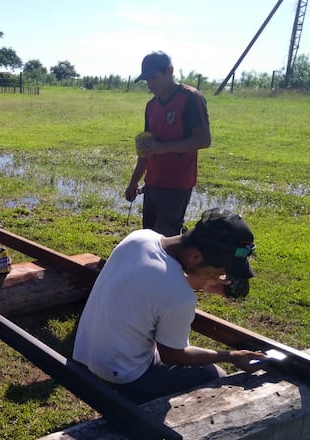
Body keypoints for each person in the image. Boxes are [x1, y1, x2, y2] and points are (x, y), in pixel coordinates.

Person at [72, 207, 266, 404]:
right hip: (121, 375)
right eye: (217, 271)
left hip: (86, 353)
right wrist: (231, 355)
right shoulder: (179, 297)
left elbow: (154, 280)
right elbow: (173, 355)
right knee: (214, 374)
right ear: (195, 257)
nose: (218, 278)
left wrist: (197, 281)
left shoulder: (140, 238)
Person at [124, 51, 212, 236]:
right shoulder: (151, 106)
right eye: (147, 80)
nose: (150, 85)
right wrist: (133, 182)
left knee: (166, 239)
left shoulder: (190, 98)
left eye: (154, 78)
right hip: (153, 182)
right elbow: (146, 149)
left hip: (177, 184)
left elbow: (204, 140)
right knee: (148, 237)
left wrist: (164, 148)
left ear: (169, 71)